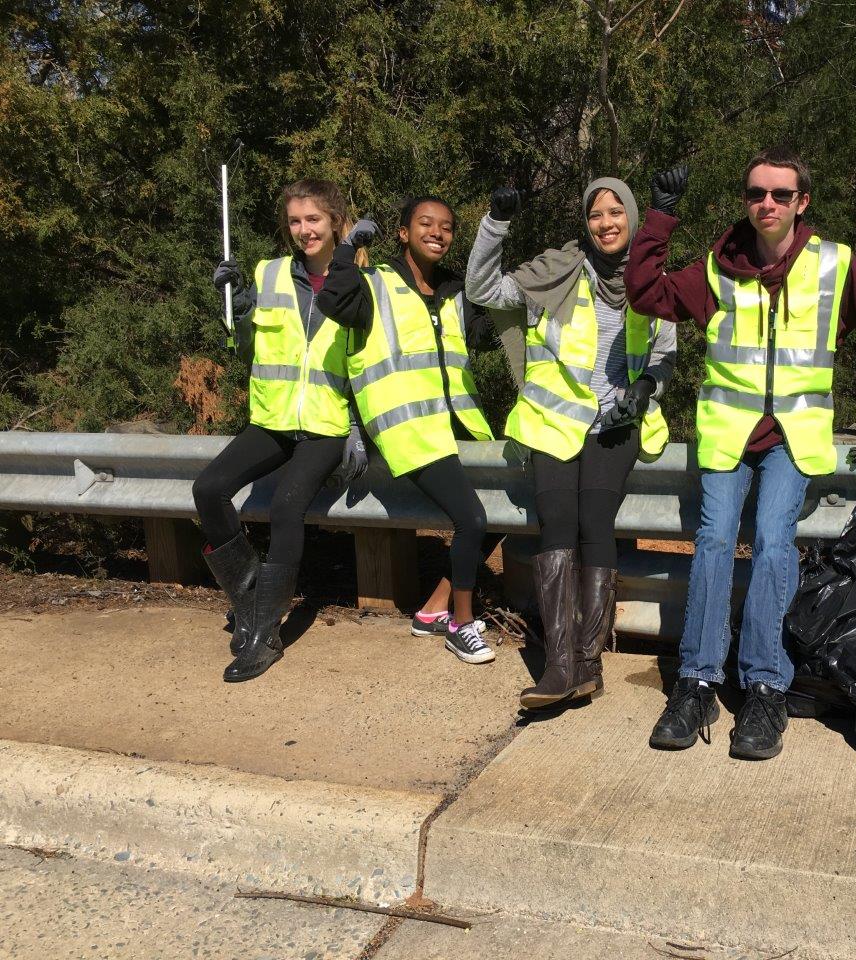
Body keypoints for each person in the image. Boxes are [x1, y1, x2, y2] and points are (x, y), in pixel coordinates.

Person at [625, 147, 856, 760]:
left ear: (801, 202)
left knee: (772, 543)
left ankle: (765, 688)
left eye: (781, 195)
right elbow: (647, 294)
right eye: (757, 193)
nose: (768, 204)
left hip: (793, 434)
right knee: (713, 540)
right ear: (746, 199)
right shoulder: (718, 267)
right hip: (728, 431)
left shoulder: (834, 264)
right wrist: (659, 219)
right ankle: (697, 682)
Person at [467, 178, 676, 709]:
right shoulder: (556, 272)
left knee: (594, 523)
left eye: (615, 212)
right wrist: (495, 223)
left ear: (632, 217)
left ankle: (588, 664)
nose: (605, 223)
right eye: (595, 215)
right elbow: (482, 289)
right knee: (557, 523)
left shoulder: (651, 281)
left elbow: (664, 356)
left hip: (616, 425)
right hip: (553, 420)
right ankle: (560, 667)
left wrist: (646, 389)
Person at [196, 178, 368, 683]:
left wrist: (358, 427)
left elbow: (368, 358)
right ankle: (249, 602)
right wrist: (238, 309)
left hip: (326, 424)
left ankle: (264, 636)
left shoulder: (360, 278)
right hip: (272, 419)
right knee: (208, 489)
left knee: (286, 507)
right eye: (295, 221)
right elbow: (247, 349)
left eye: (313, 219)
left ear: (335, 222)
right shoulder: (267, 274)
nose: (304, 230)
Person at [316, 195, 500, 664]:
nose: (437, 233)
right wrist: (346, 248)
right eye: (425, 224)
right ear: (403, 233)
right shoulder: (374, 284)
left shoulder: (455, 290)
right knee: (473, 519)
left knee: (502, 511)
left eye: (446, 227)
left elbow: (483, 336)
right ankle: (460, 625)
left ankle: (434, 610)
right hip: (408, 428)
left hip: (459, 421)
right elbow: (332, 299)